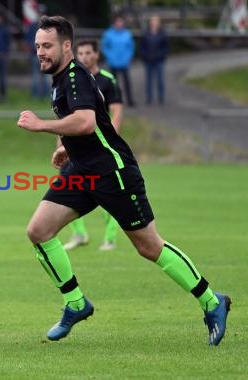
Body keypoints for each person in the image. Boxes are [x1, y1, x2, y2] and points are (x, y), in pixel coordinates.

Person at [17, 15, 231, 346]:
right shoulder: (60, 79)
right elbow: (90, 127)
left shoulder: (75, 78)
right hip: (82, 170)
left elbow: (87, 122)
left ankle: (212, 302)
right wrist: (67, 149)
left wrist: (42, 126)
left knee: (149, 246)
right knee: (39, 231)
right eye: (37, 47)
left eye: (46, 46)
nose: (40, 53)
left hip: (112, 173)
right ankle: (76, 303)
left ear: (66, 46)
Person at [63, 39, 123, 251]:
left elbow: (116, 112)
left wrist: (110, 141)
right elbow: (66, 116)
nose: (85, 57)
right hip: (73, 147)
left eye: (89, 53)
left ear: (96, 55)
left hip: (99, 148)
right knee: (66, 188)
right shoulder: (71, 80)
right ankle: (79, 234)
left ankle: (110, 238)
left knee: (104, 192)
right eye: (81, 53)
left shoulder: (106, 80)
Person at [101, 14, 136, 107]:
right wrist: (109, 56)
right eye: (118, 21)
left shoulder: (127, 34)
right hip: (113, 63)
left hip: (124, 62)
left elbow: (131, 47)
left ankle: (130, 100)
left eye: (121, 21)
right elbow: (104, 46)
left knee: (127, 82)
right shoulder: (109, 33)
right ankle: (114, 101)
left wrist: (128, 57)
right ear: (115, 22)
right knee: (113, 83)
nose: (120, 23)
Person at [23, 0, 50, 99]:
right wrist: (34, 48)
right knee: (35, 76)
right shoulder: (32, 26)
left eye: (43, 13)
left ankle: (47, 95)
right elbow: (28, 40)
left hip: (47, 55)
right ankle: (35, 95)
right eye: (40, 13)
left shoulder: (50, 27)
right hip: (35, 54)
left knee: (47, 76)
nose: (42, 15)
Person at [140, 15, 169, 105]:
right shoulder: (146, 34)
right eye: (152, 21)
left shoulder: (163, 34)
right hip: (148, 61)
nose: (154, 23)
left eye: (156, 21)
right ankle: (149, 98)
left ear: (159, 23)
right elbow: (142, 47)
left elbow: (166, 47)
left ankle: (161, 98)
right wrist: (144, 56)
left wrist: (161, 56)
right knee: (149, 81)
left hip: (159, 61)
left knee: (160, 80)